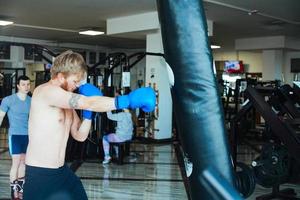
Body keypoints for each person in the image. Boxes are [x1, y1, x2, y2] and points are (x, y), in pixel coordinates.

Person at [23, 50, 155, 200]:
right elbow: (87, 101)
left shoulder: (65, 102)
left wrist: (88, 114)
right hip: (41, 174)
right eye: (75, 81)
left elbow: (80, 135)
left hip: (61, 171)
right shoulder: (46, 92)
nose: (77, 85)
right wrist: (128, 101)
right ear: (60, 76)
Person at [0, 75, 31, 200]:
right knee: (16, 163)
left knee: (24, 163)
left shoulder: (31, 101)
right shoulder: (8, 100)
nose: (26, 87)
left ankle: (20, 187)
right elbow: (0, 117)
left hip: (28, 136)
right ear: (18, 86)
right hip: (15, 136)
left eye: (28, 84)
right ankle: (14, 190)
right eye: (23, 84)